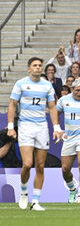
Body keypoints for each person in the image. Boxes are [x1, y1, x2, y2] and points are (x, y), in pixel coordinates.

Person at [7, 57, 61, 211]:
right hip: (25, 126)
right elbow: (12, 104)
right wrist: (11, 126)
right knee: (27, 164)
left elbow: (52, 107)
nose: (38, 68)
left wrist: (56, 127)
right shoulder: (21, 84)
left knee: (40, 166)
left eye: (39, 65)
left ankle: (35, 201)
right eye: (35, 65)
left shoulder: (47, 86)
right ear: (28, 68)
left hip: (42, 128)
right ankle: (24, 193)